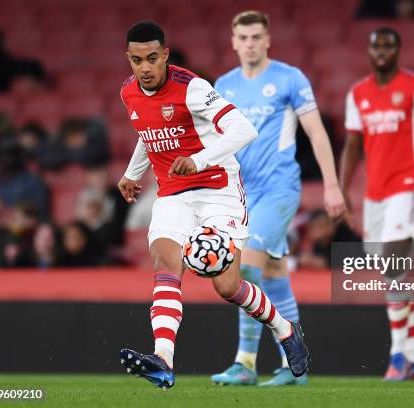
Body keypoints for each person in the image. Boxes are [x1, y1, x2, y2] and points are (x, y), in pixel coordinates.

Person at [116, 21, 309, 390]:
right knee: (166, 263)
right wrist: (132, 173)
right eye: (137, 60)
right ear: (128, 59)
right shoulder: (128, 93)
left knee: (228, 286)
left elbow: (243, 130)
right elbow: (148, 133)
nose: (145, 67)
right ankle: (163, 359)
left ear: (165, 55)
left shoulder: (193, 88)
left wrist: (200, 159)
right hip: (172, 193)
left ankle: (285, 329)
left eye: (152, 58)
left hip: (217, 189)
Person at [210, 10, 346, 387]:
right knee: (273, 275)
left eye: (257, 37)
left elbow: (317, 133)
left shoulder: (290, 79)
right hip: (242, 195)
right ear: (233, 42)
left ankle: (245, 362)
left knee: (245, 270)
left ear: (268, 39)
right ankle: (294, 366)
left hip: (279, 190)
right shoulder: (223, 85)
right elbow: (216, 143)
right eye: (244, 37)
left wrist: (332, 185)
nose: (250, 44)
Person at [339, 28, 414, 381]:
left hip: (410, 184)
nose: (382, 51)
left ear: (398, 50)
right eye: (377, 46)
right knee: (393, 270)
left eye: (389, 45)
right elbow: (353, 146)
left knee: (391, 260)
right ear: (369, 51)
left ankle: (398, 354)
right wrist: (340, 191)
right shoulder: (358, 93)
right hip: (376, 193)